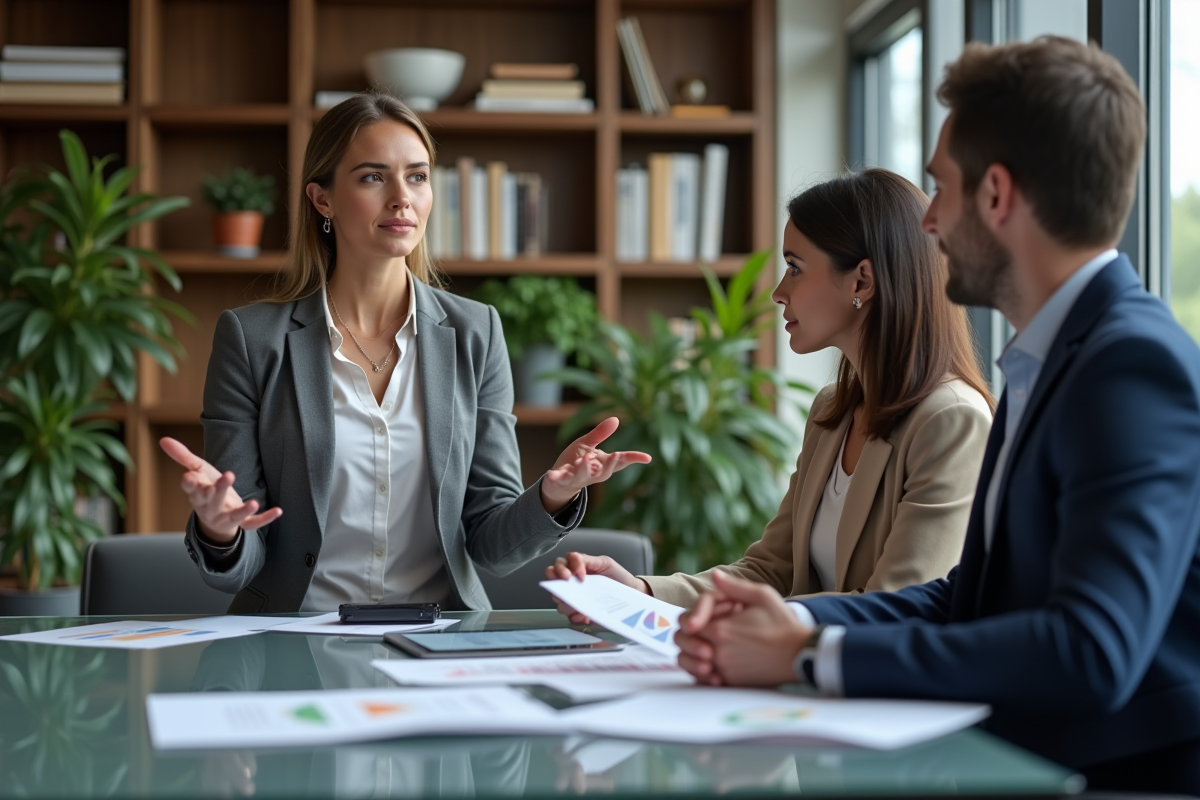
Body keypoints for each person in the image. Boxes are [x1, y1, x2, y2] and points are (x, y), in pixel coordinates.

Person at [675, 37, 1200, 793]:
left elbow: (1092, 650)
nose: (927, 224)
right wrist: (802, 627)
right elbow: (969, 598)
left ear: (998, 195)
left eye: (941, 189)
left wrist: (809, 655)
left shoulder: (1128, 366)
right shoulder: (1047, 361)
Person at [160, 91, 650, 613]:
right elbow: (245, 554)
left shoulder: (476, 332)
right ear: (322, 199)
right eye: (373, 177)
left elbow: (491, 547)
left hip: (439, 637)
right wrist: (221, 531)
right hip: (295, 633)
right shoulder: (251, 339)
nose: (402, 198)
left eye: (417, 176)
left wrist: (554, 494)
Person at [548, 168, 993, 615]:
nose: (778, 292)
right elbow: (770, 572)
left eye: (795, 268)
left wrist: (766, 624)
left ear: (862, 281)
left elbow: (896, 609)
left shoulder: (951, 421)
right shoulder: (833, 413)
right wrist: (639, 593)